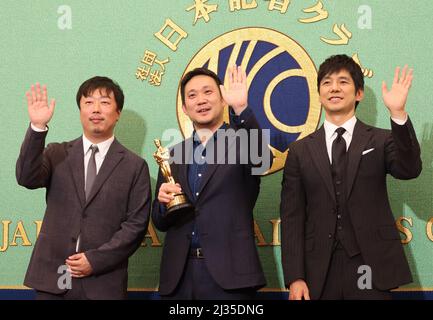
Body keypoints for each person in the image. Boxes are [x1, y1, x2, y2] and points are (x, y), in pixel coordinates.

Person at [280, 54, 421, 300]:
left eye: (343, 81)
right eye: (326, 82)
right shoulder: (300, 150)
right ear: (319, 93)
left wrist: (398, 114)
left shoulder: (381, 139)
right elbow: (292, 217)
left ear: (359, 93)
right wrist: (295, 276)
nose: (334, 87)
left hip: (371, 264)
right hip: (318, 270)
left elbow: (409, 170)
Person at [16, 77, 151, 299]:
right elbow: (25, 177)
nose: (96, 109)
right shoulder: (56, 153)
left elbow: (135, 226)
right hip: (54, 280)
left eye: (105, 102)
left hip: (103, 283)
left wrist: (95, 260)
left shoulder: (134, 166)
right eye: (88, 102)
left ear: (118, 113)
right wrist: (38, 128)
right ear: (80, 111)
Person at [152, 66, 273, 299]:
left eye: (208, 92)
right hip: (179, 278)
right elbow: (160, 222)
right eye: (192, 95)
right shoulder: (173, 155)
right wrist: (161, 203)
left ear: (222, 98)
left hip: (230, 278)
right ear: (185, 108)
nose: (201, 100)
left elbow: (263, 160)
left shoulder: (242, 144)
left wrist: (241, 108)